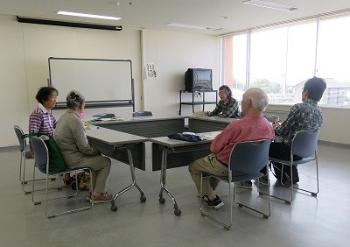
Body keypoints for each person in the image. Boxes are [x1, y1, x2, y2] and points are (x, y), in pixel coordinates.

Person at [189, 88, 274, 209]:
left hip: (229, 168)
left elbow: (214, 148)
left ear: (249, 102)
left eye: (243, 99)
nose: (241, 102)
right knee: (212, 164)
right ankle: (209, 191)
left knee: (195, 166)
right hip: (255, 169)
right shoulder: (268, 126)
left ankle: (211, 196)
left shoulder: (236, 125)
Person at [54, 91, 112, 202]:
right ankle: (97, 195)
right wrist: (98, 150)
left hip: (64, 156)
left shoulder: (63, 117)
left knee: (97, 161)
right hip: (72, 160)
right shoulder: (75, 120)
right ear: (81, 105)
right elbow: (84, 149)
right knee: (105, 162)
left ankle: (93, 192)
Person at [269, 77, 327, 185]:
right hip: (307, 152)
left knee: (264, 146)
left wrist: (275, 126)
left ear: (306, 92)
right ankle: (290, 175)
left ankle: (262, 178)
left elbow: (281, 132)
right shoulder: (320, 112)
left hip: (290, 152)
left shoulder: (298, 108)